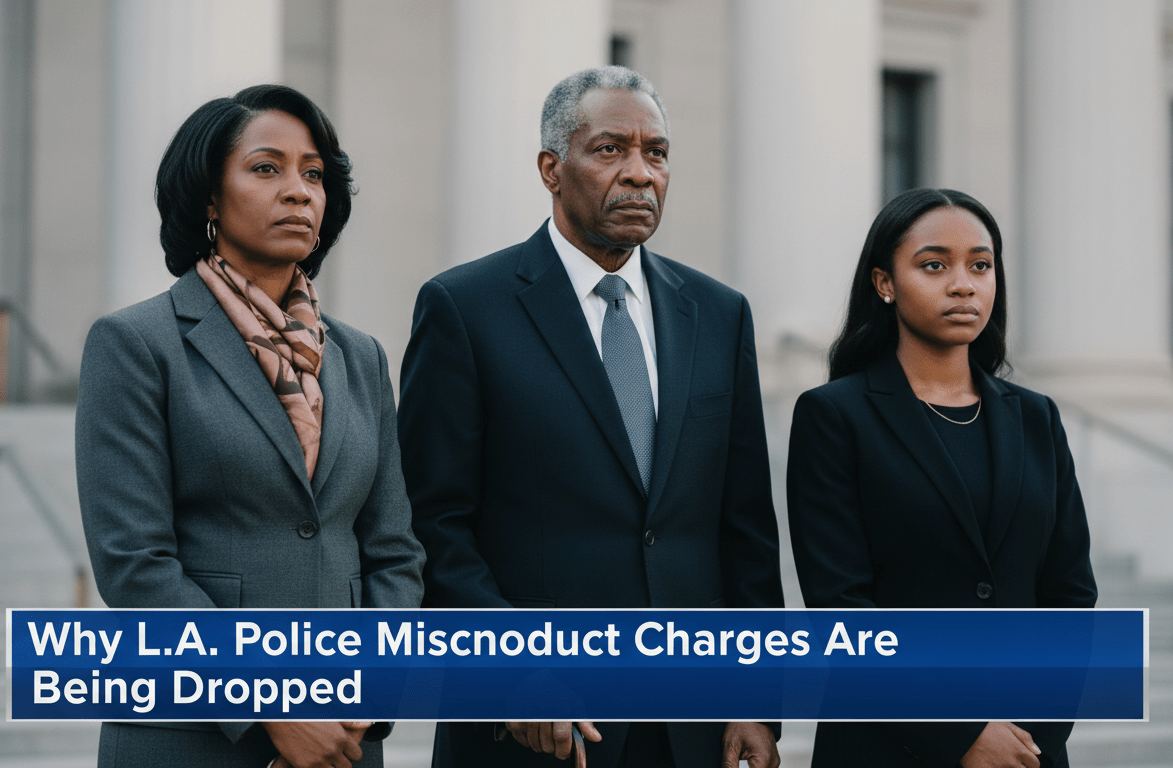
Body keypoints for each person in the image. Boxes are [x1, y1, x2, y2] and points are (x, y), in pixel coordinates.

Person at [396, 65, 785, 768]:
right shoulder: (464, 308)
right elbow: (433, 525)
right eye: (610, 150)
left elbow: (745, 528)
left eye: (656, 153)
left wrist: (756, 698)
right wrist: (511, 673)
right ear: (552, 168)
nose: (640, 173)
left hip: (691, 728)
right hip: (537, 725)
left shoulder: (719, 315)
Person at [76, 84, 426, 768]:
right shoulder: (136, 344)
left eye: (314, 173)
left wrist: (368, 689)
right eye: (267, 168)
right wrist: (270, 702)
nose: (298, 190)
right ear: (209, 196)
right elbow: (136, 566)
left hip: (343, 740)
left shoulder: (360, 357)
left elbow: (394, 551)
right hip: (190, 737)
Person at [787, 188, 1098, 768]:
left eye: (981, 265)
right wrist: (960, 733)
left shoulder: (1036, 417)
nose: (964, 284)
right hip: (887, 745)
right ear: (885, 283)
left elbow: (1071, 596)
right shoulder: (834, 416)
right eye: (935, 266)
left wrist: (1034, 731)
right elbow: (842, 608)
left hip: (1025, 751)